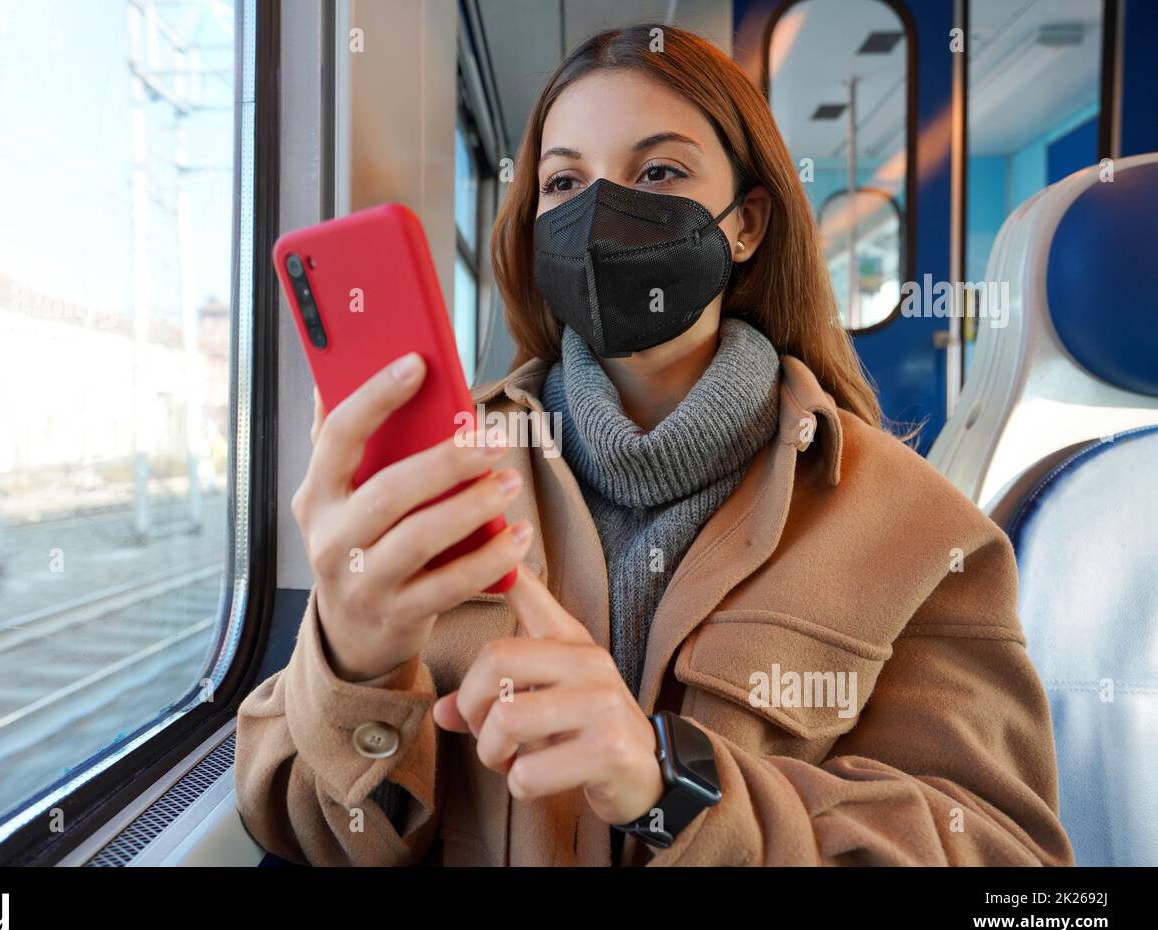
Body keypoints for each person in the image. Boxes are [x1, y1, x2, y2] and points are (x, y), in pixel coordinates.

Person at [233, 23, 1074, 867]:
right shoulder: (438, 475)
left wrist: (675, 788)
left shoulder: (921, 531)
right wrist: (355, 671)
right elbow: (307, 832)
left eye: (659, 171)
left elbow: (1012, 871)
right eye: (564, 182)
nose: (600, 214)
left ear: (745, 224)